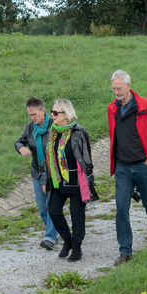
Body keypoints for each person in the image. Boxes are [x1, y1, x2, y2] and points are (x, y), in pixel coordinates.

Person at [107, 69, 147, 266]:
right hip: (123, 168)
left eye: (119, 88)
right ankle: (125, 251)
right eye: (114, 88)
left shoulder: (145, 106)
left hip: (142, 165)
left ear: (128, 86)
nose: (116, 92)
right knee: (121, 208)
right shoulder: (112, 109)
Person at [45, 99, 98, 263]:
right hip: (58, 180)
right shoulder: (53, 132)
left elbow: (86, 159)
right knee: (53, 211)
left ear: (65, 115)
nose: (52, 115)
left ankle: (76, 248)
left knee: (77, 216)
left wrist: (89, 181)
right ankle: (67, 241)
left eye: (55, 113)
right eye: (52, 112)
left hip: (76, 180)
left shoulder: (78, 132)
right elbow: (49, 158)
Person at [14, 96, 58, 250]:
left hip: (52, 171)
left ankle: (50, 236)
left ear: (43, 111)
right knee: (42, 207)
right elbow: (19, 141)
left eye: (34, 114)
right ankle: (53, 230)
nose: (32, 118)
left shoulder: (54, 126)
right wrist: (21, 148)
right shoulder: (30, 128)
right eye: (30, 115)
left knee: (52, 204)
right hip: (37, 172)